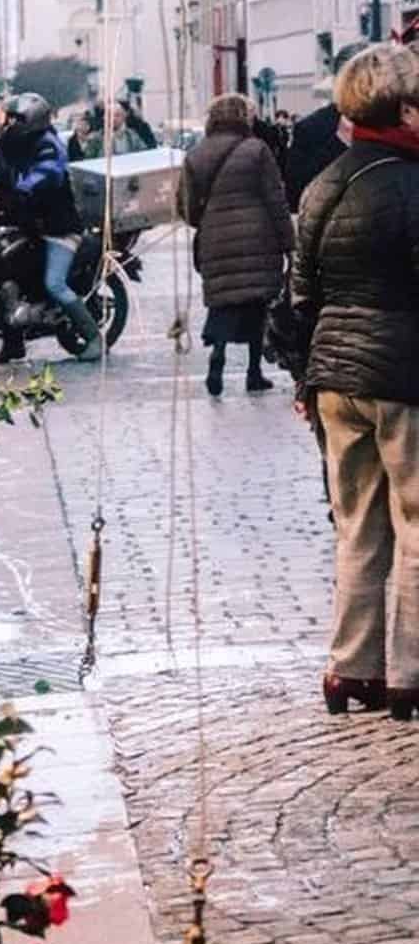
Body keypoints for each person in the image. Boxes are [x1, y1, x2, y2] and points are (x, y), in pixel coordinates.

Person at [291, 44, 419, 720]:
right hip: (403, 376)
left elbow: (300, 296)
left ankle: (352, 669)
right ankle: (411, 673)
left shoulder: (323, 183)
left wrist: (303, 378)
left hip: (334, 378)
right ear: (403, 108)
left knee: (358, 527)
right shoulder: (410, 185)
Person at [180, 93, 293, 398]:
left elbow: (187, 208)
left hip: (215, 239)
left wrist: (208, 222)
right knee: (257, 304)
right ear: (244, 117)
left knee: (223, 303)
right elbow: (275, 199)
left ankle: (216, 361)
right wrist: (288, 242)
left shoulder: (196, 154)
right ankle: (253, 372)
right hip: (259, 237)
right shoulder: (257, 150)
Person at [0, 92, 102, 364]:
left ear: (31, 119)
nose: (10, 123)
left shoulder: (49, 144)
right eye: (10, 118)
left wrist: (19, 192)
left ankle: (94, 338)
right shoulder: (14, 143)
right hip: (32, 226)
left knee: (55, 284)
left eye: (17, 118)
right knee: (6, 273)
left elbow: (45, 174)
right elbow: (2, 172)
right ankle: (13, 344)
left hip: (59, 227)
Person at [284, 42, 361, 211]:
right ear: (338, 82)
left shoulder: (398, 121)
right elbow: (296, 193)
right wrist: (339, 143)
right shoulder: (311, 128)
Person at [84, 100, 151, 159]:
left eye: (117, 115)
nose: (113, 118)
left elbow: (143, 155)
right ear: (104, 118)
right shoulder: (96, 138)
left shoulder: (132, 136)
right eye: (109, 115)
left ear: (124, 117)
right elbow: (87, 161)